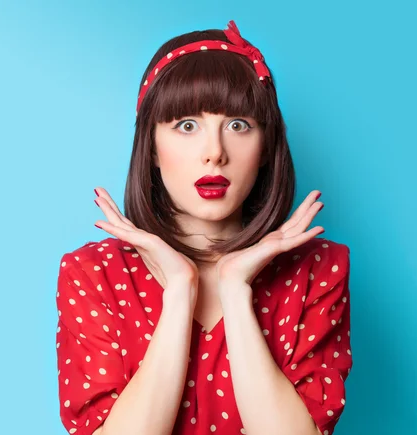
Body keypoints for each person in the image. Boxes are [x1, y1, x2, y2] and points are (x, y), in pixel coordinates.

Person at [55, 20, 352, 435]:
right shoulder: (93, 273)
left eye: (238, 125)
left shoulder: (317, 269)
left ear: (265, 148)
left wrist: (234, 287)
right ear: (152, 148)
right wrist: (180, 288)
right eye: (187, 126)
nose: (214, 153)